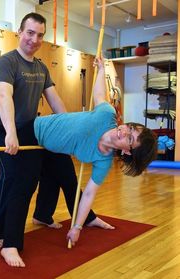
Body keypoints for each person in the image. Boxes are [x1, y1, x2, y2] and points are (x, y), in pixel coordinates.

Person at [0, 12, 110, 268]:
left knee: (60, 167)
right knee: (12, 175)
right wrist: (10, 133)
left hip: (29, 129)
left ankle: (49, 215)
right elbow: (5, 98)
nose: (34, 39)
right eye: (30, 33)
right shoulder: (6, 62)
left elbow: (55, 100)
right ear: (20, 32)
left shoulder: (40, 68)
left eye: (40, 35)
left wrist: (73, 128)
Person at [32, 56, 157, 246]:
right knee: (23, 183)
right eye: (129, 127)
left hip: (52, 149)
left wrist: (77, 228)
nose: (123, 131)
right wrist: (100, 70)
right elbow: (100, 94)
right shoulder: (106, 114)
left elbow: (90, 194)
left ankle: (44, 216)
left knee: (63, 177)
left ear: (128, 152)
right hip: (33, 131)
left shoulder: (103, 161)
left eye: (129, 138)